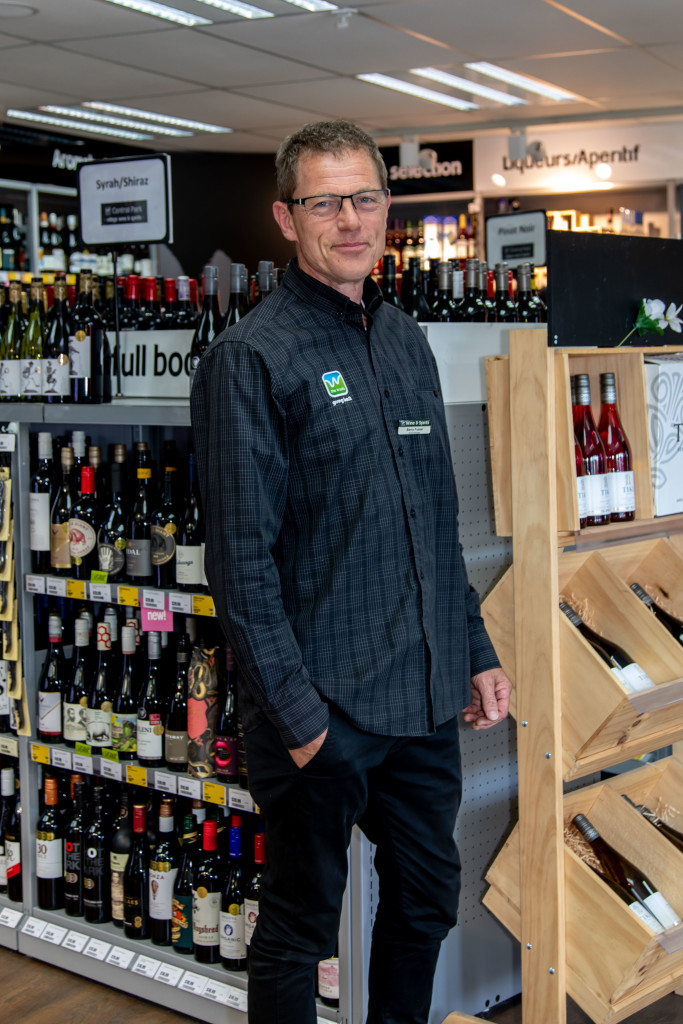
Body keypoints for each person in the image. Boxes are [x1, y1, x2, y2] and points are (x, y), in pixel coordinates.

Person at [191, 119, 511, 1024]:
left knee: (425, 900)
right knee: (300, 930)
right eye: (324, 202)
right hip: (321, 711)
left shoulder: (405, 339)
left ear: (386, 208)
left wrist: (473, 650)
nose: (348, 220)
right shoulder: (250, 358)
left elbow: (433, 525)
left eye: (364, 198)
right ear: (285, 218)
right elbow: (239, 565)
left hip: (421, 698)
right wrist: (300, 726)